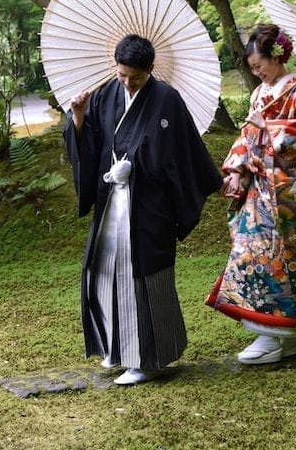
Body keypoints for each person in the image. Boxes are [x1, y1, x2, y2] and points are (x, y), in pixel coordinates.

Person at [63, 34, 222, 385]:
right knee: (104, 271)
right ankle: (117, 348)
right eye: (121, 74)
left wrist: (136, 166)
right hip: (110, 201)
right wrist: (76, 117)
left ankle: (149, 358)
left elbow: (178, 155)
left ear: (150, 68)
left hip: (148, 206)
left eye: (134, 76)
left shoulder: (167, 99)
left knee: (143, 276)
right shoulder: (105, 93)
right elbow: (91, 140)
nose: (127, 82)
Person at [207, 23, 296, 364]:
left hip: (289, 197)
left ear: (278, 56)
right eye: (252, 68)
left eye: (260, 66)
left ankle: (283, 336)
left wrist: (268, 129)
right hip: (259, 192)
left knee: (285, 261)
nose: (256, 73)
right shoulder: (260, 95)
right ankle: (271, 332)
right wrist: (239, 169)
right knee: (254, 256)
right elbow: (246, 137)